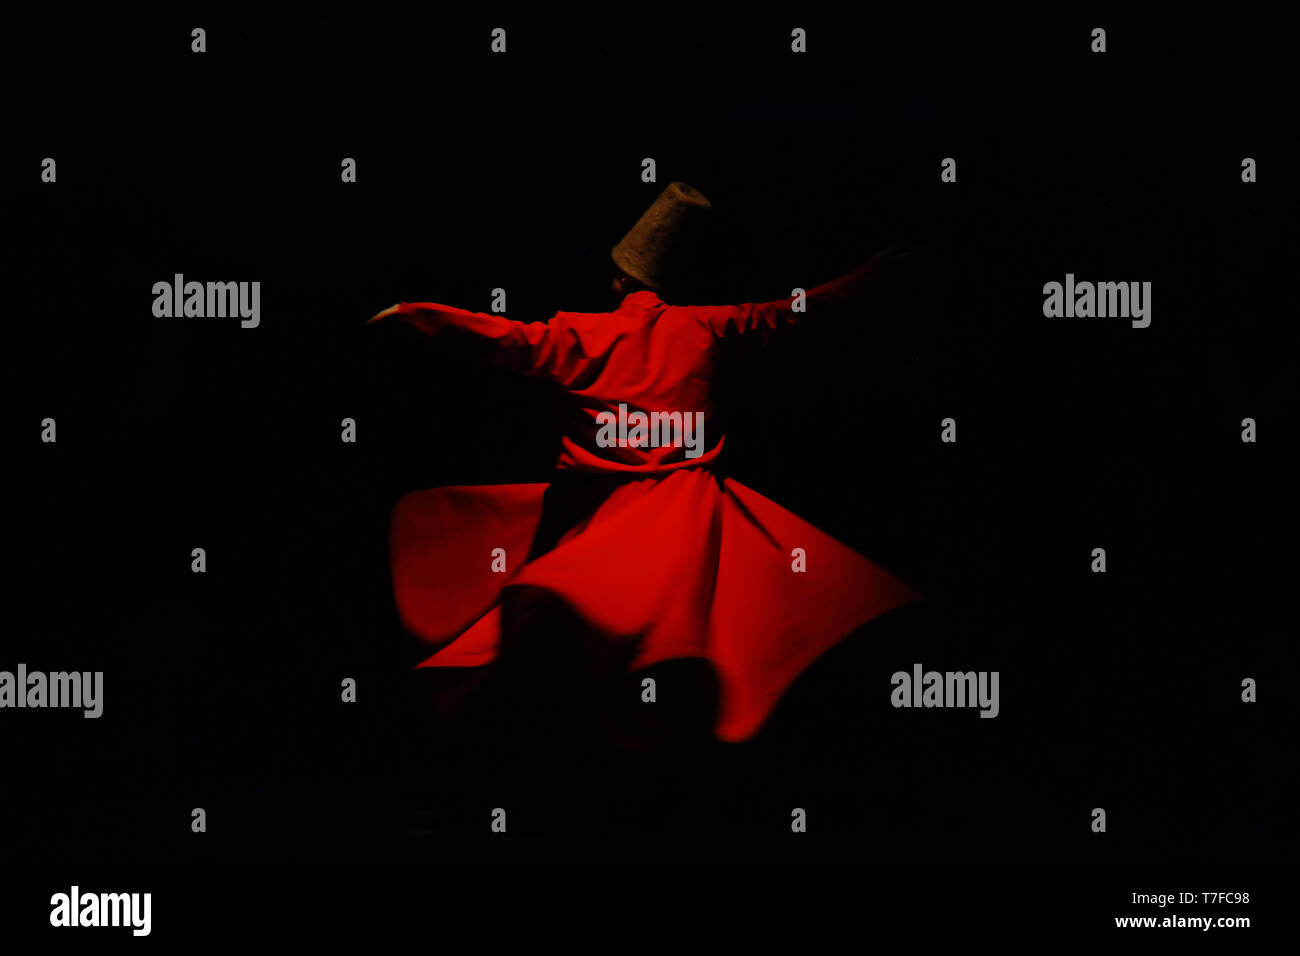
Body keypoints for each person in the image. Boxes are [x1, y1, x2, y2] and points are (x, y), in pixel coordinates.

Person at [368, 181, 920, 744]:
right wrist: (870, 277)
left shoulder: (579, 335)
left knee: (585, 644)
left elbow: (501, 336)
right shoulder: (707, 327)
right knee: (700, 647)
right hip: (689, 528)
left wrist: (415, 316)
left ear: (619, 280)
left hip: (601, 534)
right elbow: (795, 311)